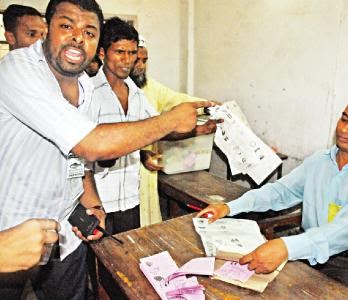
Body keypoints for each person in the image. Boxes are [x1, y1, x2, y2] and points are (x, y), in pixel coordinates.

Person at [0, 0, 213, 298]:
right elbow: (90, 143)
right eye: (66, 26)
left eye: (89, 32)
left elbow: (77, 159)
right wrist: (169, 121)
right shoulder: (19, 68)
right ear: (48, 29)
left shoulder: (83, 87)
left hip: (65, 230)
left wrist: (93, 203)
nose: (78, 37)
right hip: (11, 233)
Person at [197, 94, 348, 289]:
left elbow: (346, 229)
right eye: (344, 119)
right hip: (305, 250)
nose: (345, 129)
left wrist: (286, 247)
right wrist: (229, 207)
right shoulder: (320, 161)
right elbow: (281, 192)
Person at [90, 17, 219, 235]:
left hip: (130, 199)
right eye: (120, 52)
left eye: (132, 53)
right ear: (102, 53)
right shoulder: (87, 93)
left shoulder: (137, 94)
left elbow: (159, 130)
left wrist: (198, 130)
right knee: (97, 263)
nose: (127, 60)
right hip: (98, 202)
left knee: (125, 258)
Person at [130, 35, 218, 226]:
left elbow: (178, 99)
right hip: (122, 172)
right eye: (136, 60)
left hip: (147, 170)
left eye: (145, 61)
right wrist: (142, 153)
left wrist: (209, 106)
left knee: (147, 224)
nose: (141, 66)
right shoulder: (111, 91)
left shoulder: (150, 87)